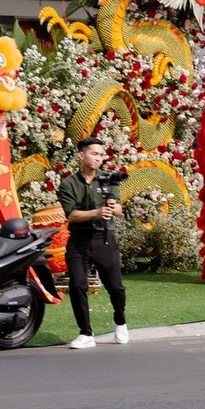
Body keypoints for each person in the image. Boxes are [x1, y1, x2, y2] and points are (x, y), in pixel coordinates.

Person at [57, 138, 129, 349]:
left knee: (116, 287)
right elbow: (71, 215)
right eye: (94, 154)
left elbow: (118, 211)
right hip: (79, 241)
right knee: (78, 284)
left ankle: (120, 321)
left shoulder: (108, 180)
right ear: (81, 155)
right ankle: (86, 333)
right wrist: (97, 212)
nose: (99, 158)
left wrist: (113, 206)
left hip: (104, 239)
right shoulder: (68, 183)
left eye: (101, 155)